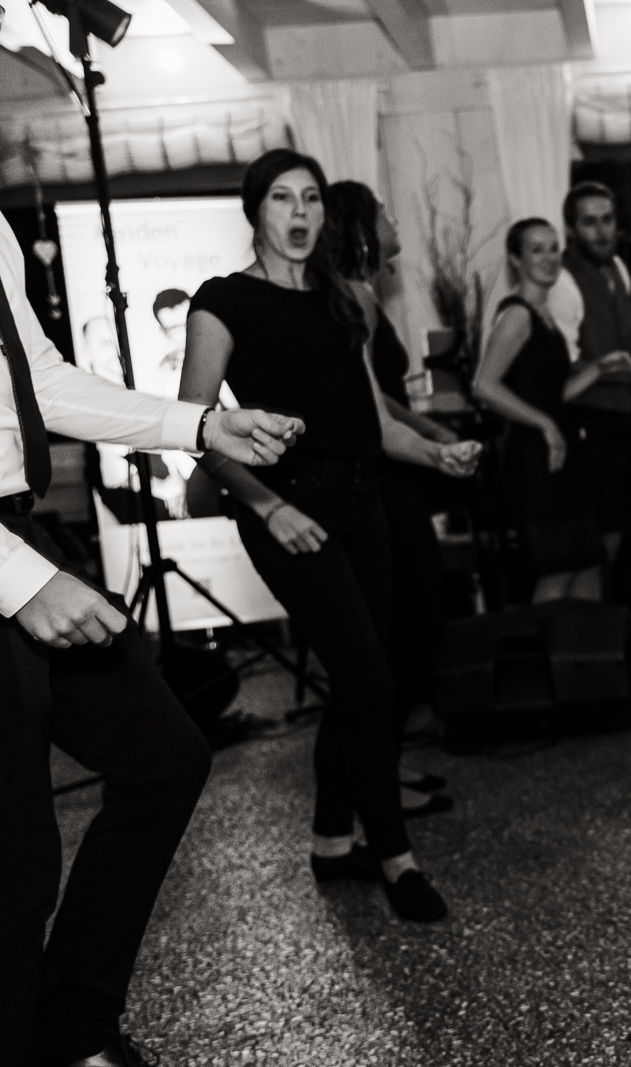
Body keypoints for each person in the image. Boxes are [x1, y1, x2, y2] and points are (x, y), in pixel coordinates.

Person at [0, 213, 303, 1064]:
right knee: (15, 874)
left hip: (22, 532)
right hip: (7, 559)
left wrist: (197, 426)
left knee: (166, 754)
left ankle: (72, 1030)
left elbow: (43, 380)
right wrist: (17, 581)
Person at [179, 148, 481, 924]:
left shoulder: (349, 299)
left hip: (362, 506)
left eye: (310, 197)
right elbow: (199, 429)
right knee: (372, 683)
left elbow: (375, 426)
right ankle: (396, 857)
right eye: (282, 197)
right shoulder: (222, 302)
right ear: (256, 211)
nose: (300, 212)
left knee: (360, 680)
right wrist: (267, 506)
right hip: (286, 511)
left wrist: (436, 452)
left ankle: (328, 840)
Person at [325, 179, 457, 816]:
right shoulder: (354, 300)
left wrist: (433, 430)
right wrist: (433, 445)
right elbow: (371, 415)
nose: (393, 217)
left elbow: (380, 400)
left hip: (393, 467)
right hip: (381, 479)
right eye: (383, 211)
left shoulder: (364, 294)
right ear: (359, 227)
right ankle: (378, 778)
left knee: (406, 625)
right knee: (405, 627)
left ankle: (390, 766)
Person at [548, 181, 631, 630]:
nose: (601, 231)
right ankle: (607, 636)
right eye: (590, 222)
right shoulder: (562, 280)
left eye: (607, 219)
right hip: (592, 419)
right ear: (572, 228)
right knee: (610, 535)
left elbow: (616, 345)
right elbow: (564, 366)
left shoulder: (619, 268)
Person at [474, 218, 609, 602]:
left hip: (561, 450)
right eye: (537, 249)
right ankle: (550, 659)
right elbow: (484, 386)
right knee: (557, 569)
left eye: (554, 248)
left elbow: (551, 394)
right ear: (515, 259)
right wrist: (544, 424)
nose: (550, 258)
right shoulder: (517, 314)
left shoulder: (545, 313)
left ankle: (584, 658)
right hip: (535, 457)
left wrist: (601, 369)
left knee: (586, 562)